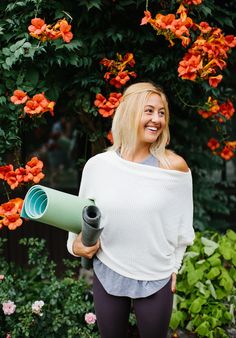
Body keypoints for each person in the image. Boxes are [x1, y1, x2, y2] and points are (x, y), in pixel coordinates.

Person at [67, 82, 195, 338]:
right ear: (129, 113)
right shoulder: (98, 166)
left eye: (161, 113)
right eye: (149, 111)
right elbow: (78, 219)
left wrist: (174, 267)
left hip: (156, 275)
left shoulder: (174, 167)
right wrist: (76, 246)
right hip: (109, 270)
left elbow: (182, 224)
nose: (157, 119)